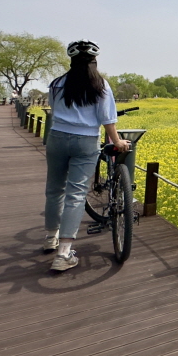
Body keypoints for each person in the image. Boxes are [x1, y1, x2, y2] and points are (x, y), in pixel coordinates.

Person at [43, 40, 130, 271]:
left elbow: (53, 109)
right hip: (85, 141)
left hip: (57, 138)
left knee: (54, 189)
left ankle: (50, 238)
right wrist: (118, 141)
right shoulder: (100, 85)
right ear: (94, 61)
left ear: (71, 61)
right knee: (76, 193)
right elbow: (107, 118)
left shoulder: (57, 84)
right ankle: (63, 253)